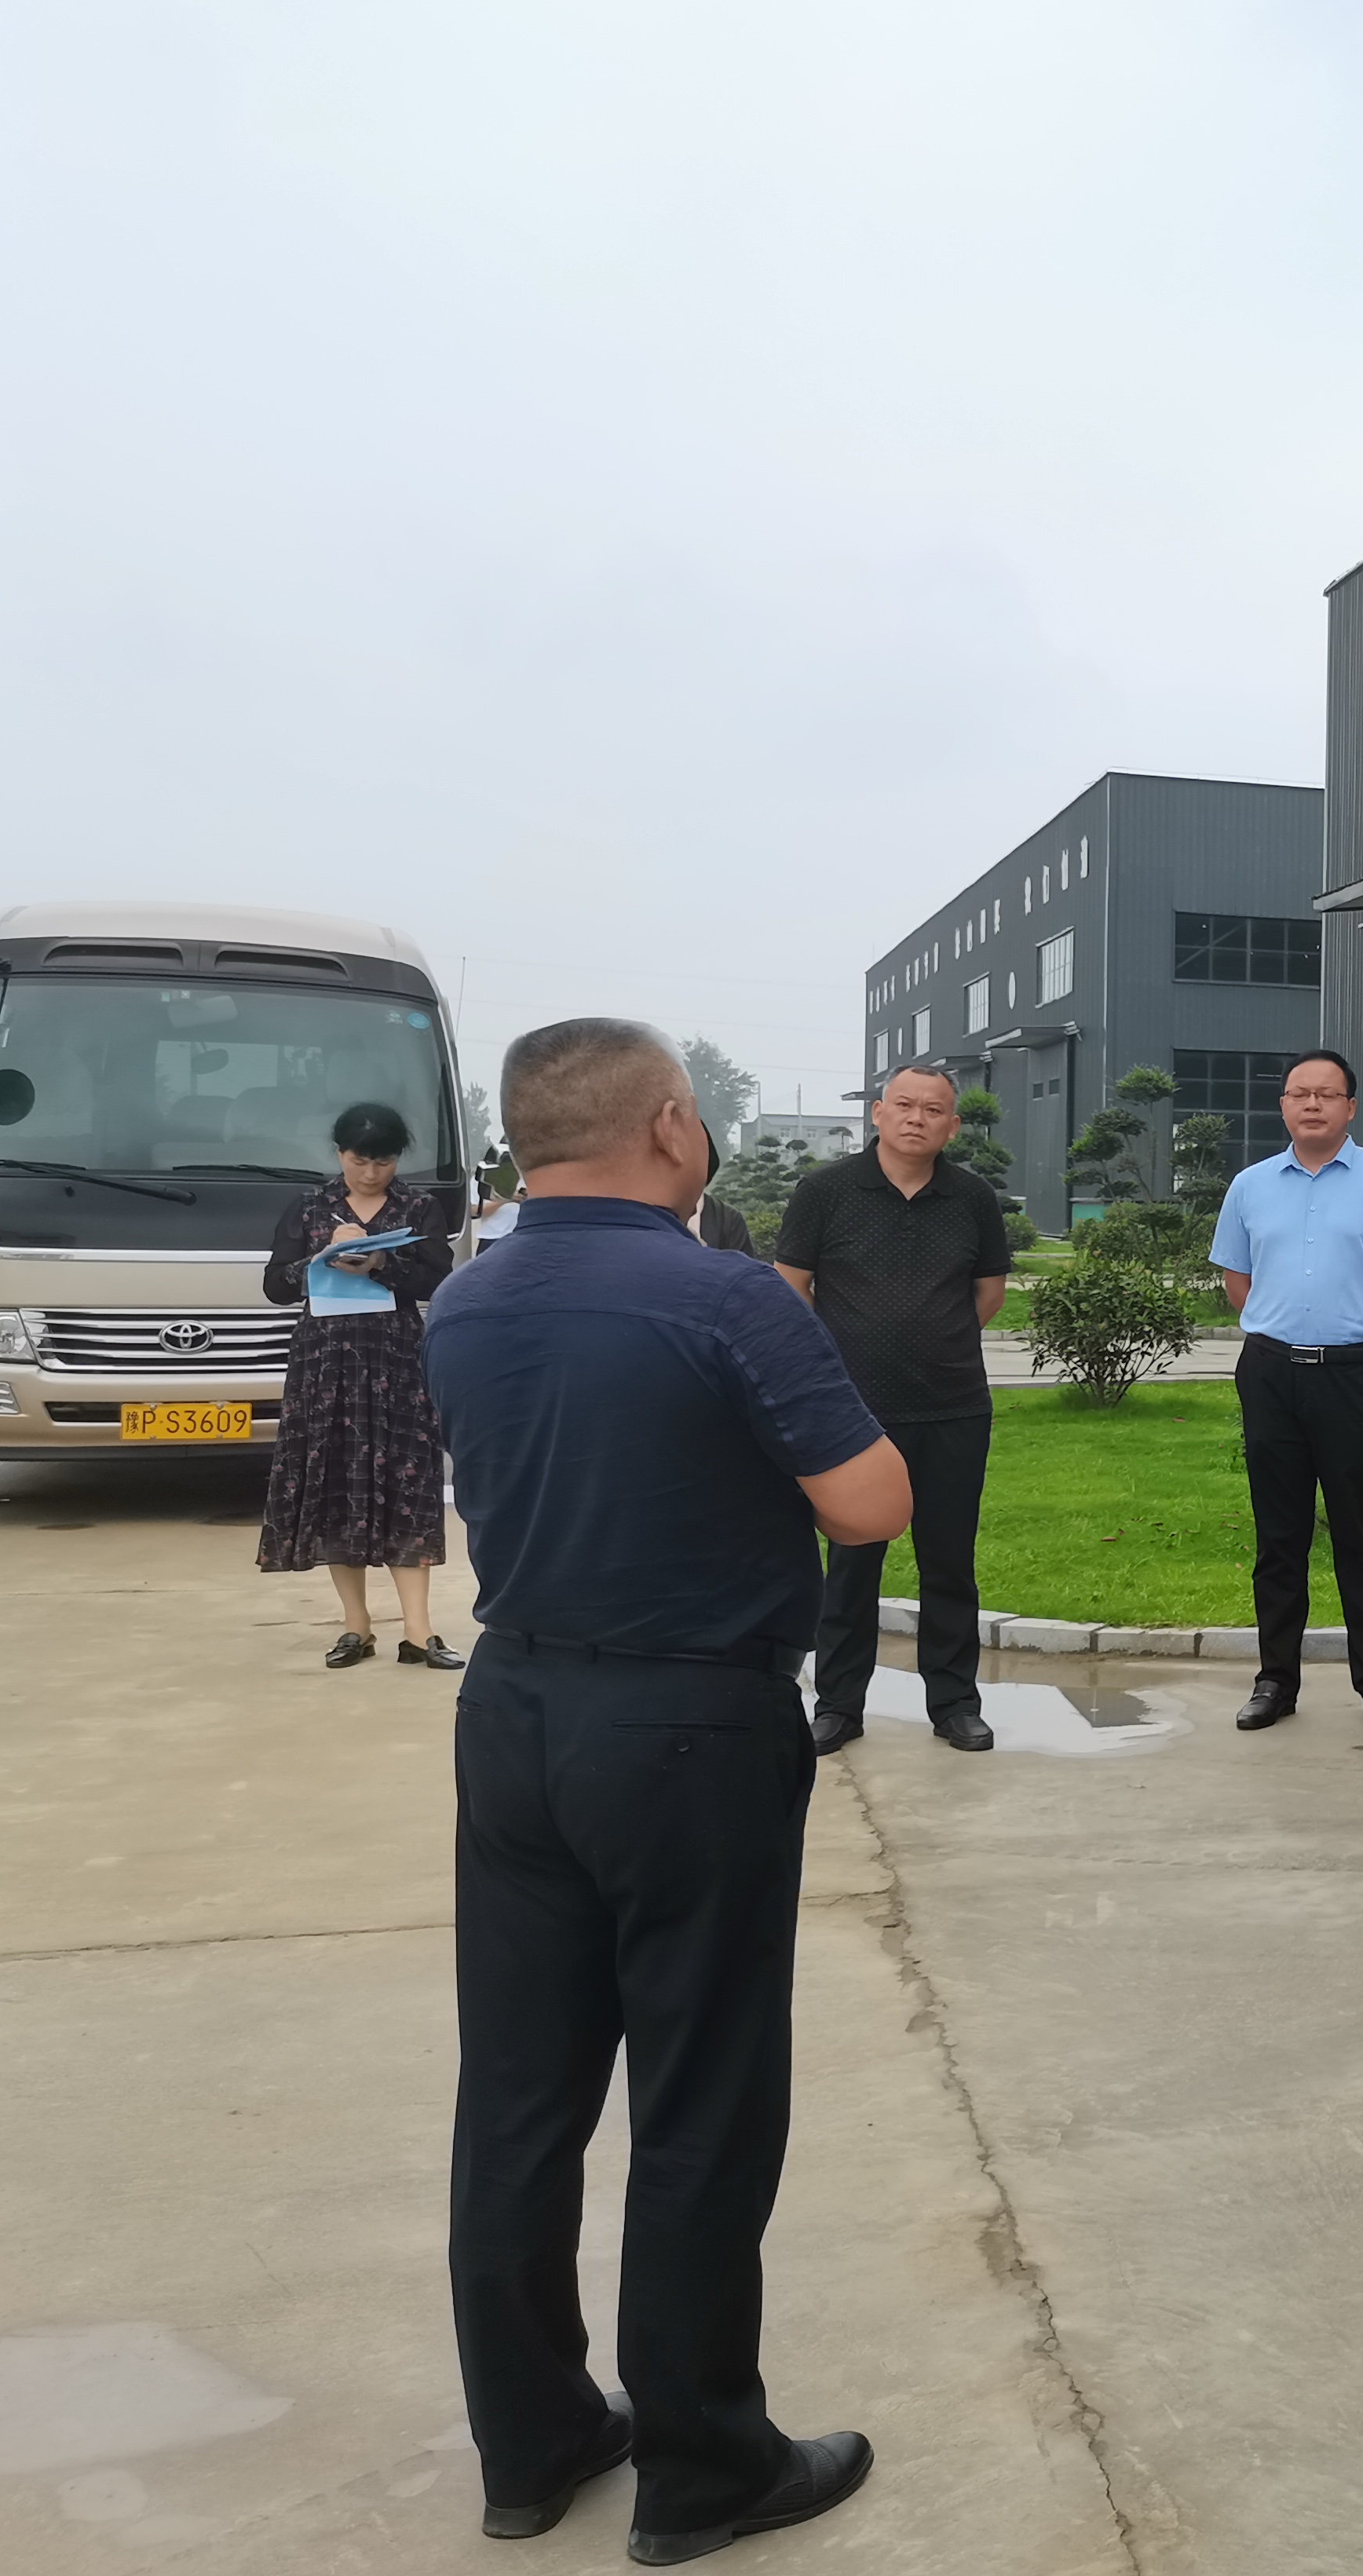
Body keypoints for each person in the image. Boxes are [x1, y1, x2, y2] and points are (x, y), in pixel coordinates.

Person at [426, 1017, 902, 2560]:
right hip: (689, 1726)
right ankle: (703, 2464)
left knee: (517, 2098)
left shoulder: (466, 1300)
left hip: (516, 1713)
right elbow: (868, 1502)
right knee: (700, 2099)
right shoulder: (725, 1295)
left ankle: (531, 2443)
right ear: (671, 1125)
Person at [773, 1065, 1013, 1756]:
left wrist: (933, 1340)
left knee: (949, 1561)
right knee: (851, 1563)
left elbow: (989, 1293)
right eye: (904, 1105)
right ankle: (839, 1705)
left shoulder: (972, 1197)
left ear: (952, 1126)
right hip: (852, 1411)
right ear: (878, 1113)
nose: (917, 1118)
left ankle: (955, 1704)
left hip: (952, 1406)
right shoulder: (825, 1192)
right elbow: (791, 1285)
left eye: (933, 1110)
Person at [1211, 1049, 1363, 1735]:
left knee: (1360, 1534)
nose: (1312, 1104)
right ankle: (1275, 1681)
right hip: (1271, 1373)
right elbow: (1238, 1281)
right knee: (1279, 1537)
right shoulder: (1250, 1185)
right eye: (1299, 1093)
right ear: (1283, 1105)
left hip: (1355, 1374)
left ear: (1350, 1107)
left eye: (1327, 1094)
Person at [258, 1101, 463, 1667]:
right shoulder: (309, 1207)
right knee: (337, 1479)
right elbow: (275, 1285)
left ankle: (419, 1631)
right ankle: (356, 1625)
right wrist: (319, 1260)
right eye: (359, 1161)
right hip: (325, 1363)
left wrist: (380, 1266)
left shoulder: (418, 1207)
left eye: (384, 1162)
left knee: (407, 1481)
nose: (371, 1174)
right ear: (339, 1154)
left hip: (397, 1359)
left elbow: (438, 1280)